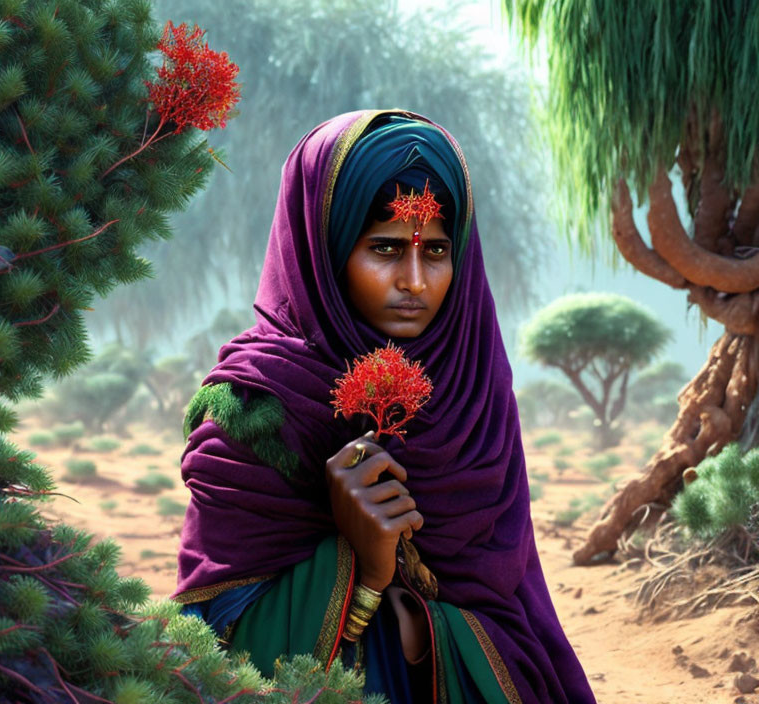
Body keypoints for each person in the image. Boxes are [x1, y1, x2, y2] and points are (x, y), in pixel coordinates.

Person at [173, 109, 596, 703]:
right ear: (324, 249)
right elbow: (212, 655)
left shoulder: (471, 394)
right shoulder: (258, 409)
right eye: (386, 247)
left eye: (439, 249)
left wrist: (423, 633)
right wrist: (362, 573)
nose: (417, 281)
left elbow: (519, 621)